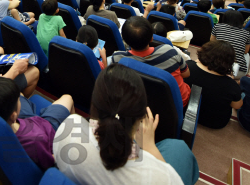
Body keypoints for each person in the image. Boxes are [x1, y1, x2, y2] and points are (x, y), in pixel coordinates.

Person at [53, 64, 199, 185]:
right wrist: (149, 147)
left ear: (94, 104)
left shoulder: (68, 127)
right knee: (179, 148)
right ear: (141, 117)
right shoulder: (161, 177)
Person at [0, 77, 73, 170]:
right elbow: (51, 161)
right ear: (13, 115)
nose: (19, 100)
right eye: (18, 100)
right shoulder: (35, 142)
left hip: (20, 123)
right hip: (47, 129)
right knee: (67, 98)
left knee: (19, 93)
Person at [112, 17, 191, 106]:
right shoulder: (169, 51)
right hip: (177, 105)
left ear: (125, 40)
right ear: (151, 38)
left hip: (142, 106)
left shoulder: (118, 59)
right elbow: (186, 74)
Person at [183, 41, 242, 129]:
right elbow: (237, 105)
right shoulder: (231, 85)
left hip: (185, 112)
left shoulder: (187, 67)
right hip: (215, 122)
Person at [210, 10, 250, 77]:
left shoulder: (217, 26)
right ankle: (240, 79)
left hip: (215, 66)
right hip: (238, 71)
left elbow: (212, 43)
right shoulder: (247, 33)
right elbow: (246, 51)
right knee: (247, 55)